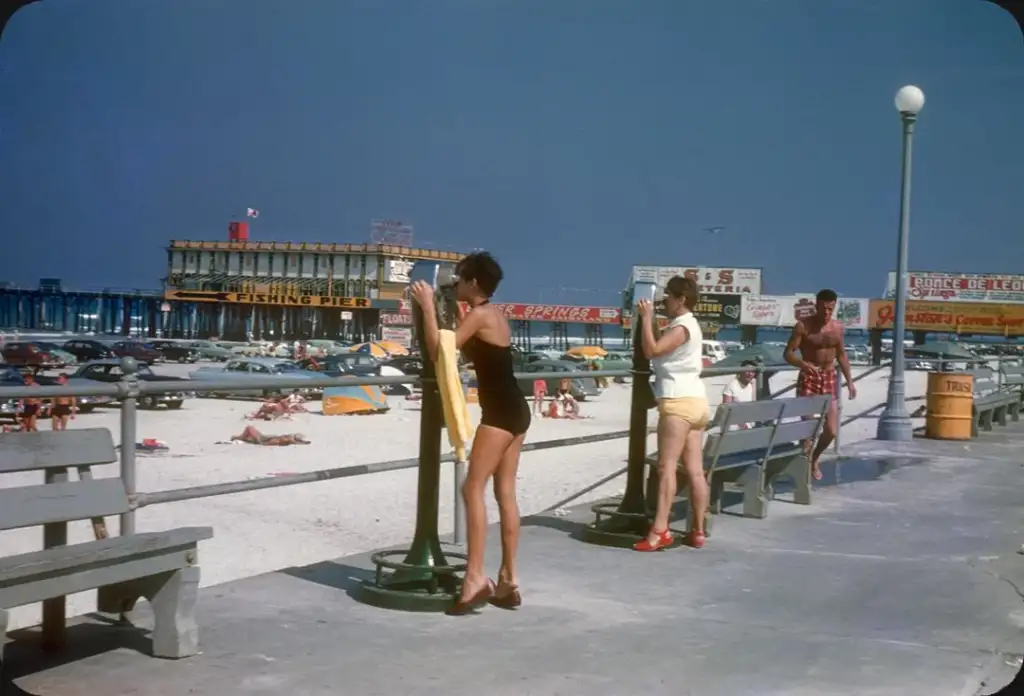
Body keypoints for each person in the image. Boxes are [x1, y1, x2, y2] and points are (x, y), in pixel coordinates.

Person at [410, 251, 530, 615]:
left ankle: (475, 578)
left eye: (460, 278)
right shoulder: (492, 314)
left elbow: (439, 353)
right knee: (504, 491)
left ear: (474, 283)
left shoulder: (479, 315)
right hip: (517, 410)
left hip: (500, 414)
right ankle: (508, 580)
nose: (455, 284)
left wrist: (428, 307)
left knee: (471, 487)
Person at [634, 276, 710, 552]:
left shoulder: (682, 326)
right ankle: (698, 531)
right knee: (695, 471)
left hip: (678, 402)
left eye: (668, 296)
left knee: (666, 467)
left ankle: (659, 530)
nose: (664, 300)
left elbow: (652, 350)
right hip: (697, 401)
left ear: (681, 300)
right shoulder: (691, 325)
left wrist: (645, 317)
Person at [784, 288, 857, 481]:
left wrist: (850, 382)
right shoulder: (803, 326)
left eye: (830, 309)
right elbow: (788, 353)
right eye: (823, 308)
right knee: (809, 428)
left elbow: (841, 355)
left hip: (830, 376)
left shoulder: (838, 328)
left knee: (831, 430)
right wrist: (803, 364)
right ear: (816, 305)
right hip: (809, 376)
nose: (826, 313)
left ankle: (814, 458)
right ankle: (805, 460)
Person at [231, 425, 310, 446]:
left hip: (262, 439)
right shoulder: (287, 439)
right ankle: (240, 437)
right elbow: (293, 441)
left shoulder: (286, 440)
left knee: (249, 428)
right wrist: (303, 442)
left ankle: (239, 437)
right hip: (263, 438)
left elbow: (291, 441)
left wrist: (302, 442)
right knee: (249, 432)